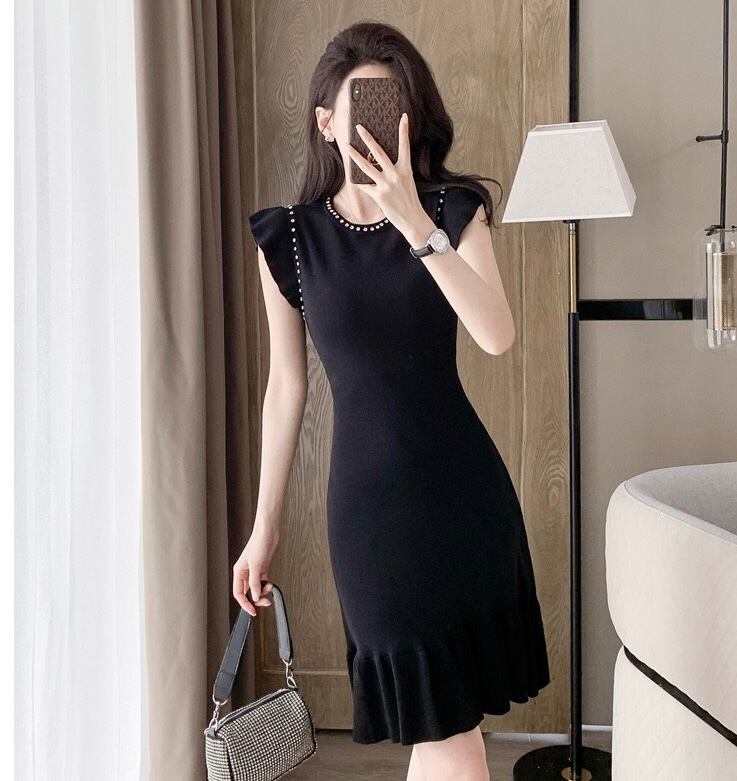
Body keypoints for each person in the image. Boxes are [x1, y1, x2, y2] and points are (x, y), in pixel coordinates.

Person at [233, 21, 551, 781]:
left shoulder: (452, 209)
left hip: (462, 498)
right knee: (441, 725)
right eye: (364, 105)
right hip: (369, 514)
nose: (383, 121)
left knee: (448, 730)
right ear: (326, 121)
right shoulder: (290, 240)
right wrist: (263, 529)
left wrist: (413, 220)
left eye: (397, 105)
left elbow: (497, 334)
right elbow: (286, 388)